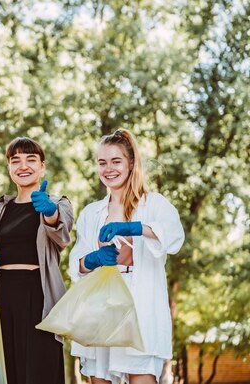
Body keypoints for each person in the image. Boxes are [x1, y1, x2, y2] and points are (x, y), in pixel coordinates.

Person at [68, 129, 185, 384]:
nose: (108, 168)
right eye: (102, 162)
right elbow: (76, 264)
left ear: (131, 163)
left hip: (139, 312)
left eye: (116, 161)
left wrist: (136, 228)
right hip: (100, 311)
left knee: (141, 376)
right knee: (99, 378)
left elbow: (174, 238)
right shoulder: (91, 213)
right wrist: (93, 259)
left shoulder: (154, 204)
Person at [0, 136, 74, 384]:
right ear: (9, 168)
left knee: (40, 370)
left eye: (31, 160)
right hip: (0, 297)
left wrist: (49, 212)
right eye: (15, 160)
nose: (23, 166)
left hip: (38, 295)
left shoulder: (58, 203)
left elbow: (62, 233)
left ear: (42, 167)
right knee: (5, 371)